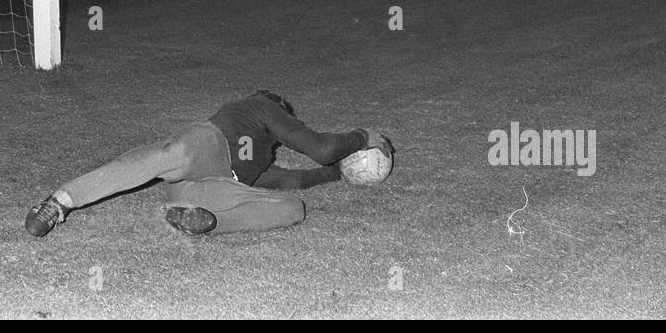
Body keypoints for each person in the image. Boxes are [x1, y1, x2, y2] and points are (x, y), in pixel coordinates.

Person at [25, 89, 392, 237]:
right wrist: (361, 137)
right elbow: (321, 147)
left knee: (293, 208)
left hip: (210, 189)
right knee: (173, 153)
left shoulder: (261, 158)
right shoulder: (254, 107)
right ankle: (60, 202)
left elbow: (291, 181)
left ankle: (203, 222)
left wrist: (335, 174)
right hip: (207, 146)